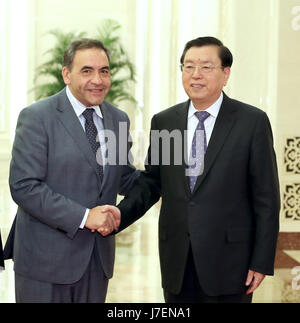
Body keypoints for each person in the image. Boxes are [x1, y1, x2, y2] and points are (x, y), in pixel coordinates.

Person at [104, 37, 280, 303]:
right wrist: (120, 214)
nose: (196, 75)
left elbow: (267, 198)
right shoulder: (166, 122)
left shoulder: (251, 122)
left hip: (231, 263)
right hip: (177, 260)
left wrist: (261, 260)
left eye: (206, 67)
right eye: (188, 67)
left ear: (225, 73)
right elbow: (153, 183)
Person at [4, 38, 138, 303]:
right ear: (67, 74)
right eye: (86, 70)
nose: (97, 80)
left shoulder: (118, 119)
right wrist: (84, 216)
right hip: (45, 263)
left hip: (97, 263)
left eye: (104, 71)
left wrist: (173, 180)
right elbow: (24, 186)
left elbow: (123, 176)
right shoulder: (37, 117)